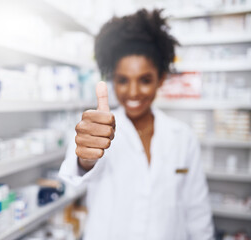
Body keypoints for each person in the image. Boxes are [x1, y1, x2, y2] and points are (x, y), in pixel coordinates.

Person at [58, 9, 214, 240]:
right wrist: (87, 158)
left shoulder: (183, 136)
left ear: (161, 79)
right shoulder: (97, 129)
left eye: (145, 80)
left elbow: (197, 209)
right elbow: (76, 175)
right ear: (112, 80)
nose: (132, 92)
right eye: (122, 80)